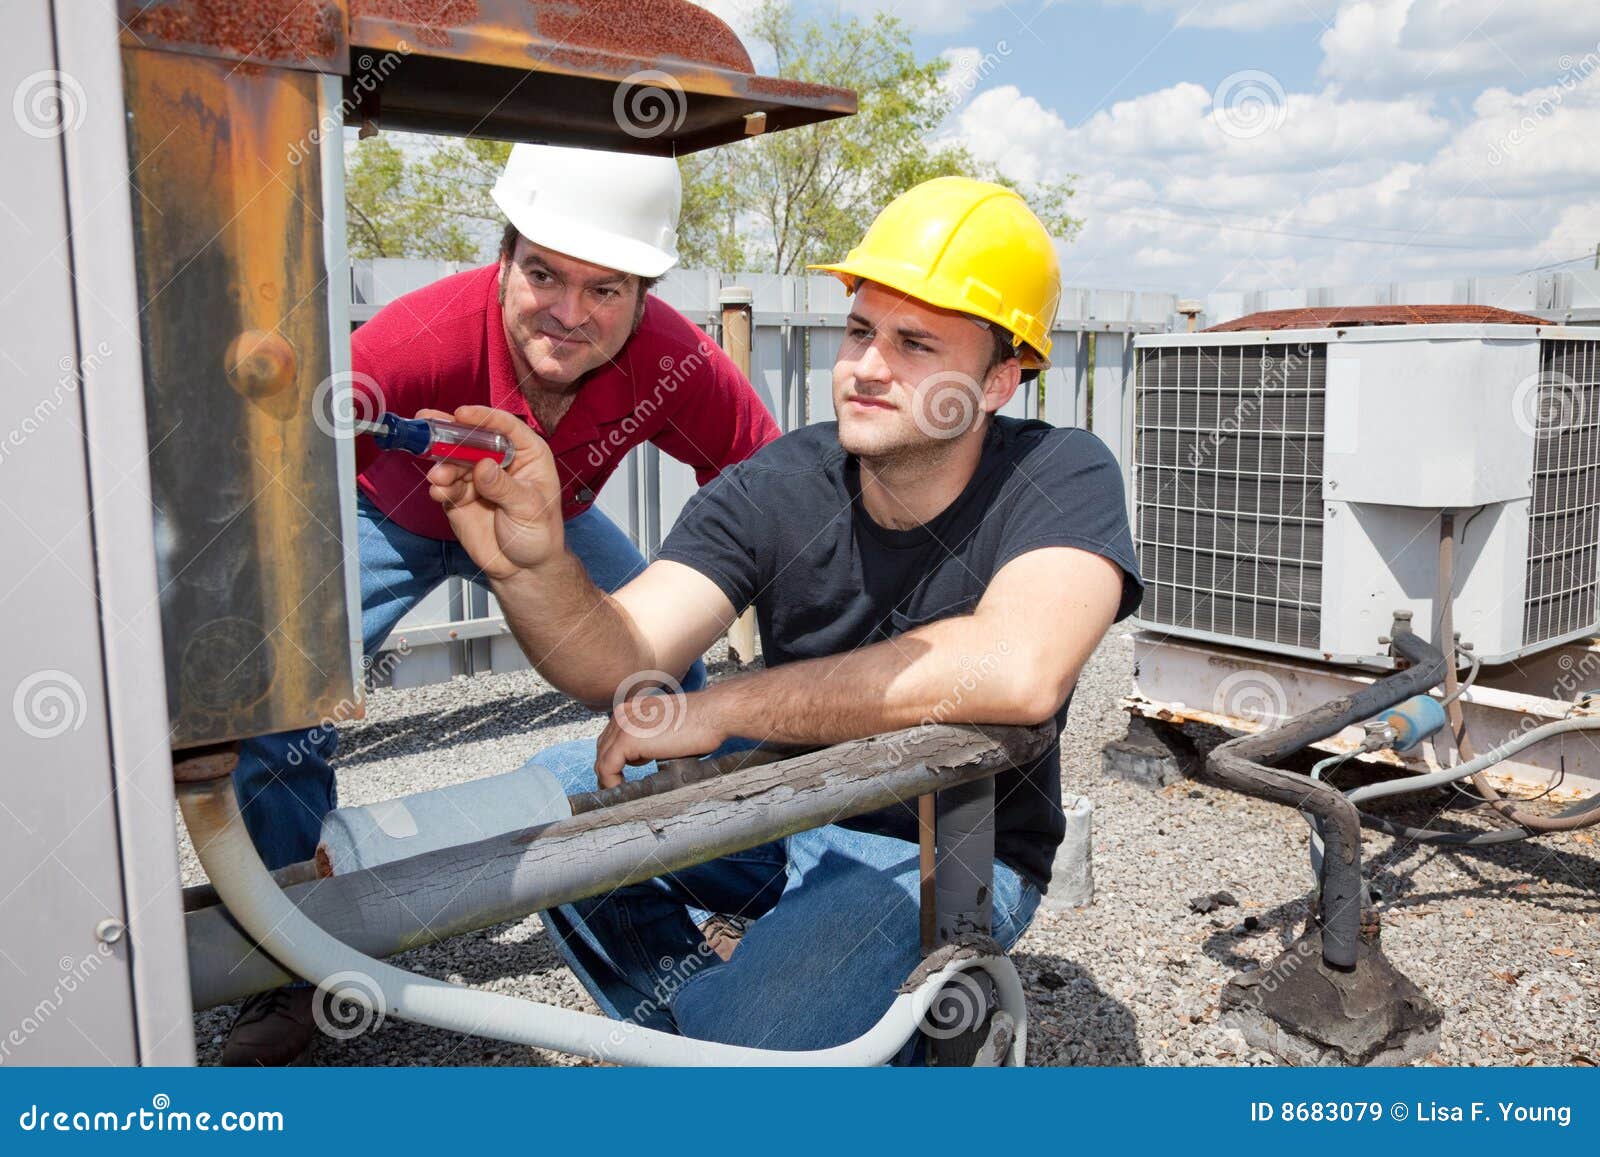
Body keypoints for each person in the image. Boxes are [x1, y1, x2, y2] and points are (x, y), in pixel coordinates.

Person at [426, 175, 1144, 1056]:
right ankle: (710, 1042)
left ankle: (794, 1045)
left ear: (999, 379)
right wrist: (532, 567)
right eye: (859, 331)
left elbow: (1018, 669)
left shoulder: (1060, 472)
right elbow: (621, 658)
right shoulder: (785, 480)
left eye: (915, 343)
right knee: (553, 812)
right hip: (788, 806)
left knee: (756, 1030)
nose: (866, 368)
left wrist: (718, 707)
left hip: (949, 842)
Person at [222, 143, 781, 1065]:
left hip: (547, 522)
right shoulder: (410, 343)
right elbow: (280, 494)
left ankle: (714, 867)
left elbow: (770, 488)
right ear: (505, 256)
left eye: (606, 289)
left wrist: (821, 644)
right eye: (545, 276)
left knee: (668, 681)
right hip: (394, 509)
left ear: (647, 292)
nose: (569, 313)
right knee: (278, 701)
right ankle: (293, 961)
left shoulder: (674, 360)